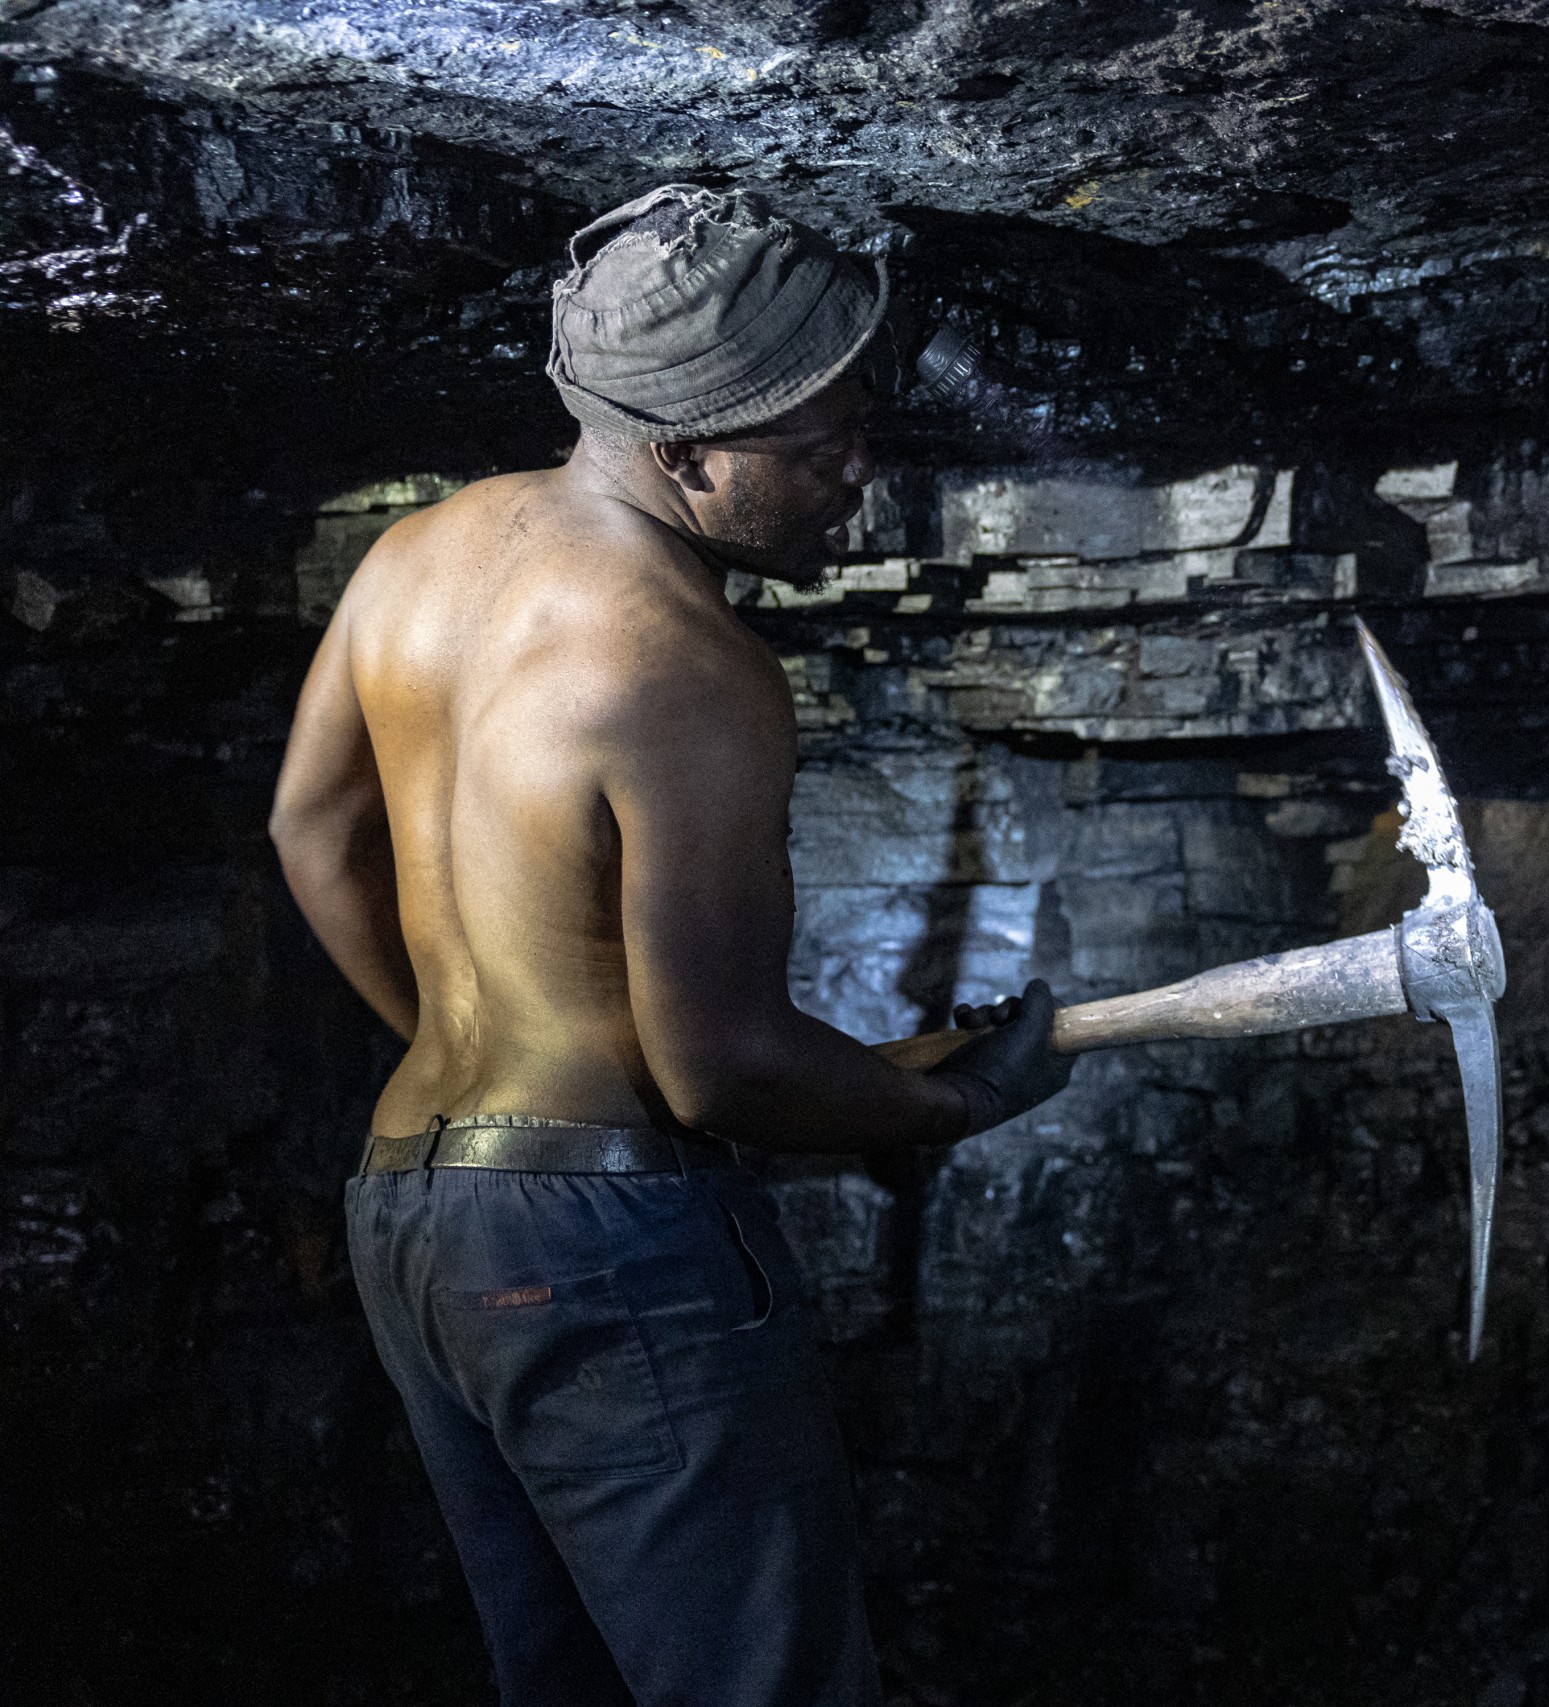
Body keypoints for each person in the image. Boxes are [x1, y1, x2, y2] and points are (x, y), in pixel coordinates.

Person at [268, 183, 1073, 1707]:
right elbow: (720, 1071)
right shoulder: (689, 664)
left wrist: (473, 1055)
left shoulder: (412, 558)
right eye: (821, 444)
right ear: (688, 456)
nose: (859, 473)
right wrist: (946, 1104)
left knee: (557, 1686)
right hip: (603, 1253)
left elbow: (312, 831)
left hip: (410, 1210)